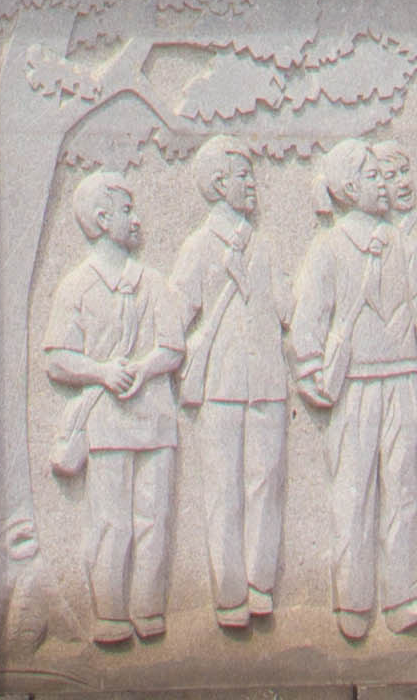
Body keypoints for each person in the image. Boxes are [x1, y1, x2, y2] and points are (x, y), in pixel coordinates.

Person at [285, 139, 417, 642]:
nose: (385, 185)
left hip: (403, 380)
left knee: (406, 489)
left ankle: (402, 596)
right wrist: (310, 373)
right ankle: (353, 601)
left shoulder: (404, 245)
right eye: (374, 177)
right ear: (350, 188)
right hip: (354, 386)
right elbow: (308, 318)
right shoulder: (328, 248)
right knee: (353, 492)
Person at [39, 172, 182, 646]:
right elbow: (57, 359)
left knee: (154, 517)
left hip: (155, 418)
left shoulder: (154, 282)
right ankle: (111, 613)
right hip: (106, 422)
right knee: (109, 520)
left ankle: (148, 607)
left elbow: (173, 347)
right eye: (126, 210)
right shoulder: (77, 286)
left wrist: (143, 369)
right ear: (101, 219)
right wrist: (102, 371)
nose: (136, 219)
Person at [163, 137, 290, 631]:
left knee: (266, 484)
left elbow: (287, 308)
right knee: (224, 489)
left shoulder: (267, 243)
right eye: (242, 175)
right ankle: (230, 593)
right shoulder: (198, 246)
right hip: (219, 383)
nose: (252, 184)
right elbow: (176, 310)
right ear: (219, 184)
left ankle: (261, 586)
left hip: (268, 383)